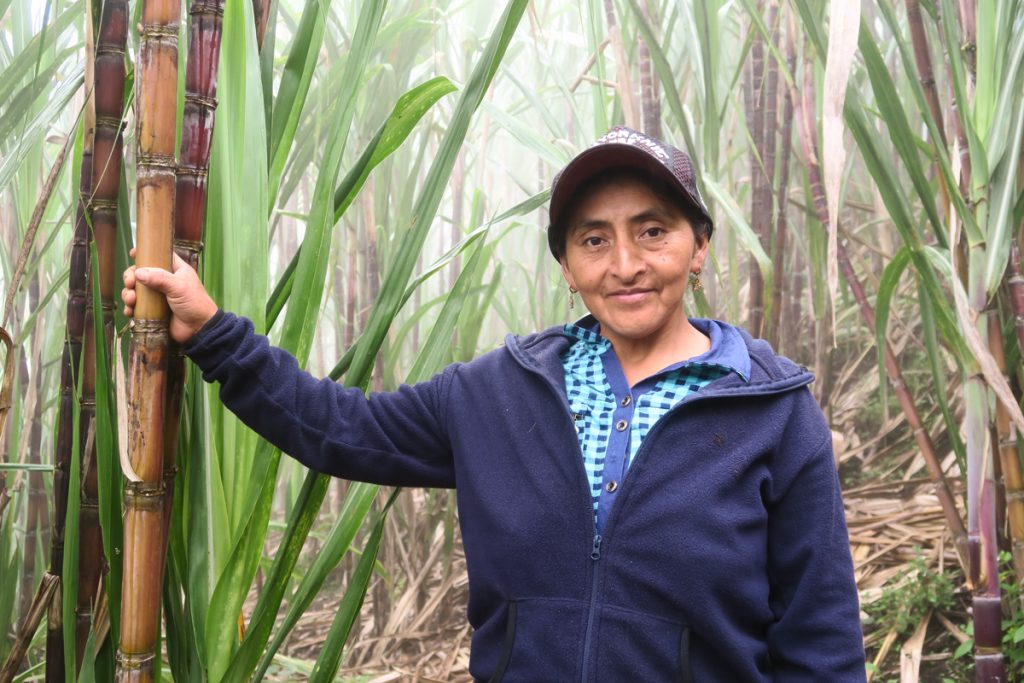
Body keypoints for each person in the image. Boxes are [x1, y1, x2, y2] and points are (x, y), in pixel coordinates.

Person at [122, 126, 866, 681]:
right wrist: (215, 335)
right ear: (568, 267)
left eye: (653, 231)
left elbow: (821, 642)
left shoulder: (773, 414)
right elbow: (336, 426)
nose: (627, 264)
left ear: (698, 246)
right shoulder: (495, 394)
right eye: (594, 240)